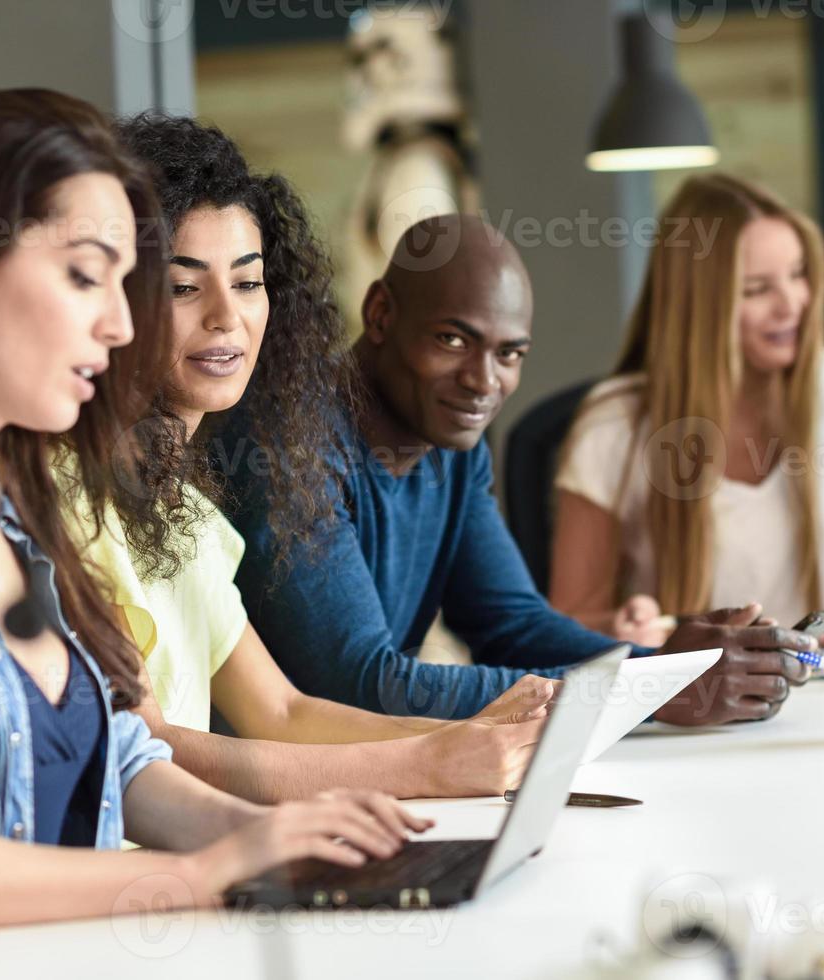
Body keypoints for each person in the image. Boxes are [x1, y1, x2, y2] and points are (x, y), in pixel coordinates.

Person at [0, 90, 424, 980]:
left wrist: (272, 839)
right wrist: (191, 879)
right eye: (84, 275)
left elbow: (123, 756)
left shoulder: (10, 505)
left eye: (125, 285)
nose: (118, 324)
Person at [57, 113, 547, 805]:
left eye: (248, 282)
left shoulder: (187, 509)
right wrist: (431, 762)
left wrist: (487, 732)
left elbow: (284, 713)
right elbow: (142, 748)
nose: (227, 317)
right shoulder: (65, 494)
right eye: (182, 286)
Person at [224, 212, 820, 725]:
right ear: (380, 313)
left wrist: (668, 669)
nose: (484, 383)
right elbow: (361, 685)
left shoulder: (455, 448)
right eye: (454, 341)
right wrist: (648, 689)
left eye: (509, 354)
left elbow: (512, 625)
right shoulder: (288, 439)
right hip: (254, 799)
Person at [550, 174, 824, 649]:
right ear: (698, 307)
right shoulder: (615, 423)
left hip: (819, 683)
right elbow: (567, 622)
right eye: (757, 289)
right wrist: (623, 628)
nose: (793, 304)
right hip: (691, 698)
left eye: (799, 274)